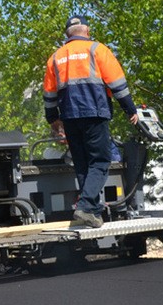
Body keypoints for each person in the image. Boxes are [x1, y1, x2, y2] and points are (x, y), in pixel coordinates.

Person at [43, 15, 138, 228]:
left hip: (69, 116)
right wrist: (130, 109)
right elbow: (118, 84)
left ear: (68, 34)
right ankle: (85, 206)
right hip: (95, 112)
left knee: (83, 164)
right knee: (101, 161)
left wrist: (53, 120)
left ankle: (92, 213)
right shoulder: (98, 50)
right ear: (87, 31)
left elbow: (49, 94)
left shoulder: (56, 57)